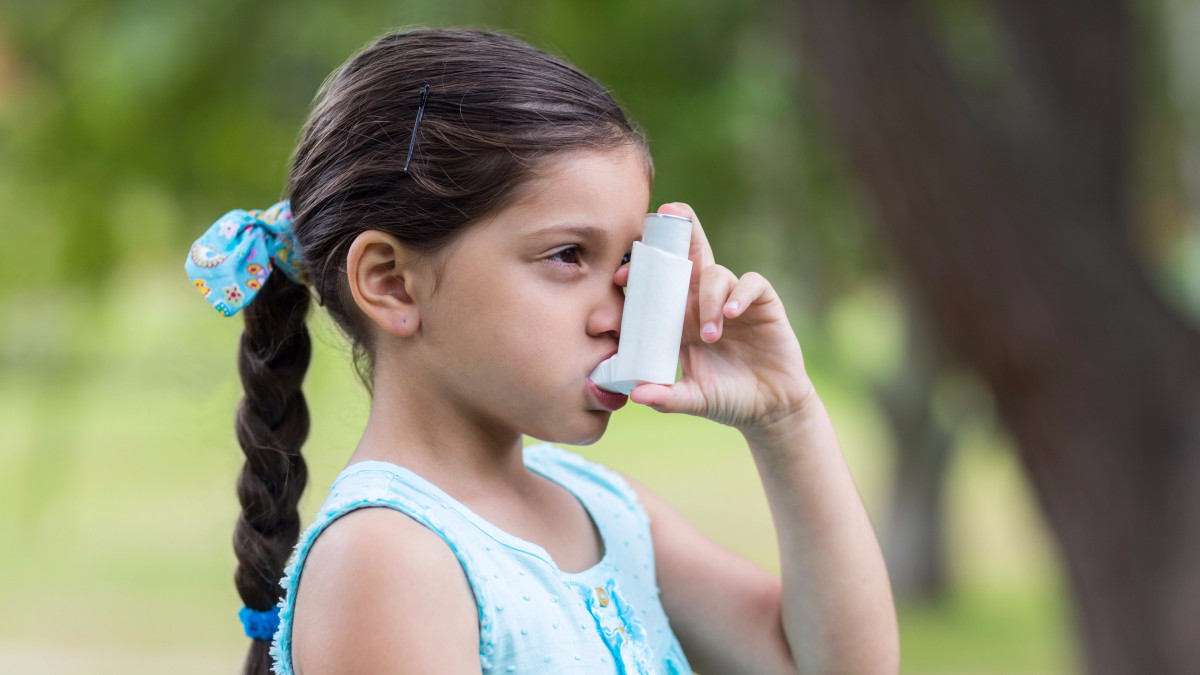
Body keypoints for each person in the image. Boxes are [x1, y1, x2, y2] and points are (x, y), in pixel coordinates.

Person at [184, 26, 898, 675]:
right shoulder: (388, 558)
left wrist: (786, 418)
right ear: (392, 283)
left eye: (629, 264)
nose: (618, 312)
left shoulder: (600, 508)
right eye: (566, 255)